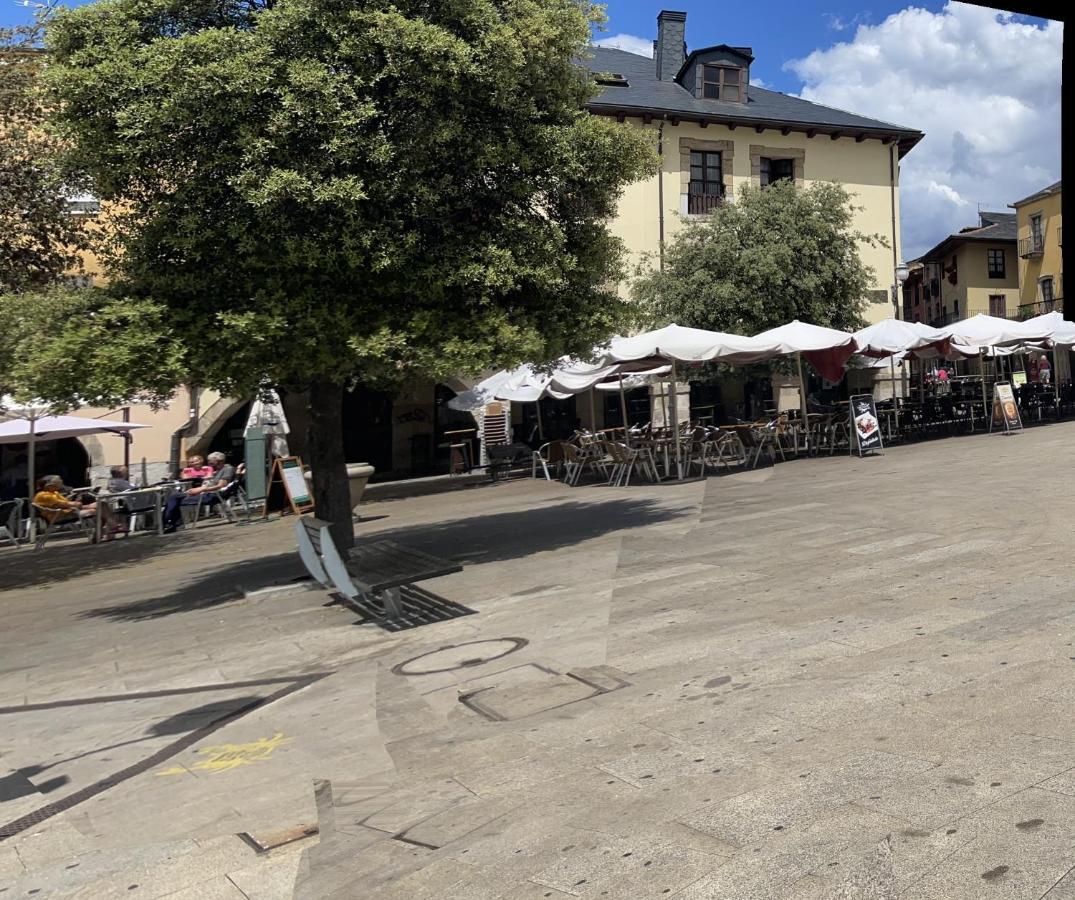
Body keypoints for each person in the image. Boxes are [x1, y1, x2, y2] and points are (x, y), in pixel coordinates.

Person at [162, 451, 235, 533]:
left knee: (174, 498)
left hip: (213, 496)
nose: (209, 462)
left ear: (219, 460)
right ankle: (170, 523)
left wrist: (201, 489)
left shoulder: (227, 469)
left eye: (211, 460)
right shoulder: (219, 470)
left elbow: (221, 485)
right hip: (207, 493)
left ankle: (168, 523)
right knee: (174, 497)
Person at [33, 475, 123, 541]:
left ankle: (107, 531)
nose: (61, 483)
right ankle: (111, 528)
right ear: (50, 485)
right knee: (100, 509)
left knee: (102, 505)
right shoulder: (43, 495)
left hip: (68, 512)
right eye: (59, 481)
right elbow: (64, 505)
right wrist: (79, 503)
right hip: (60, 516)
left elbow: (68, 504)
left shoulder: (54, 493)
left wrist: (77, 501)